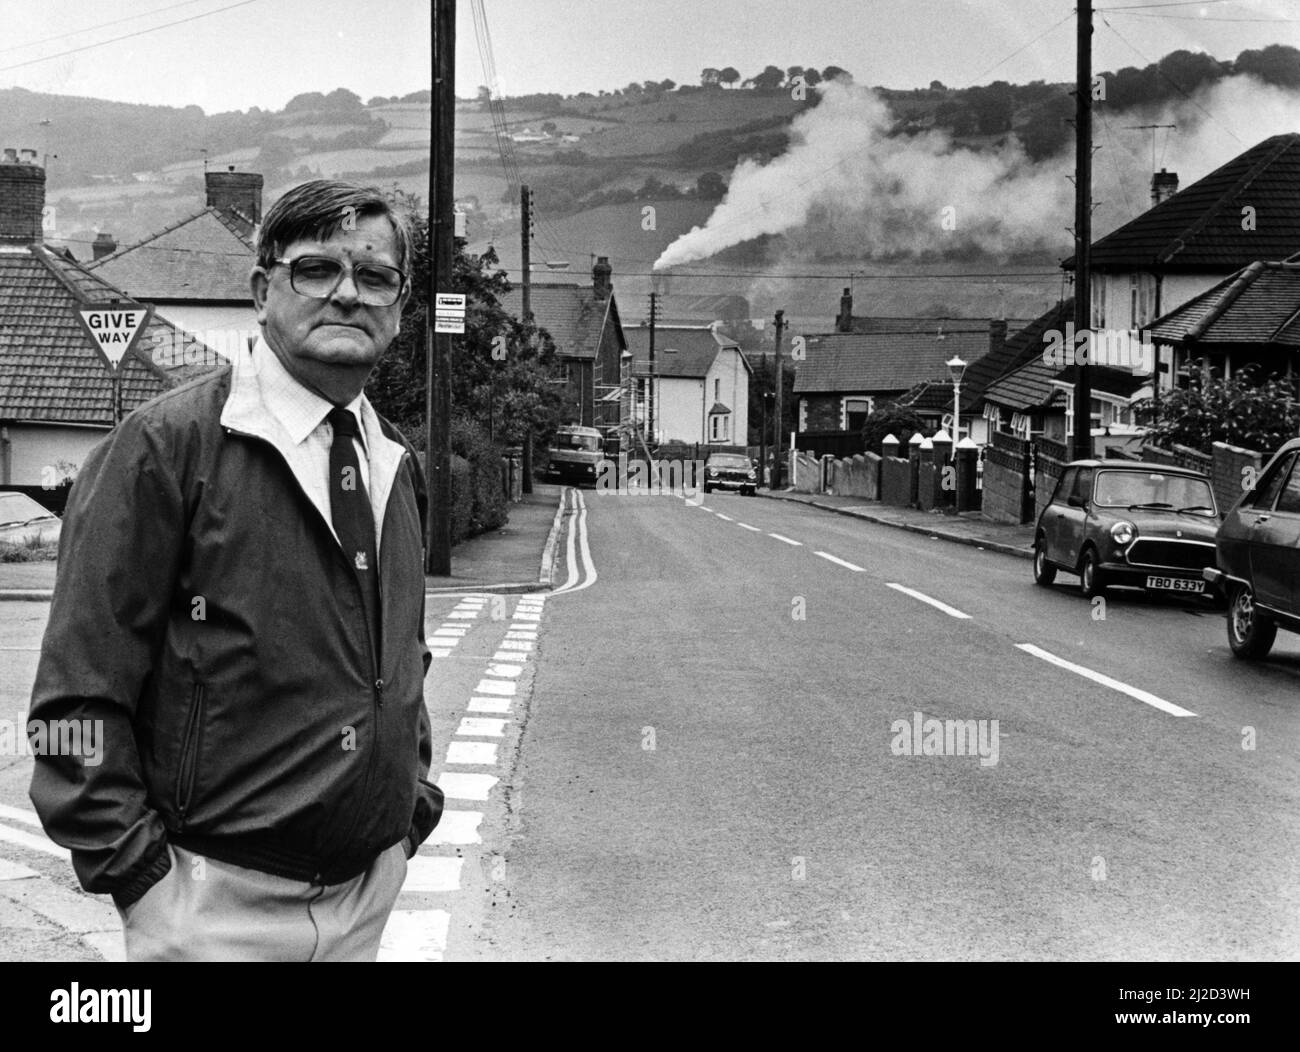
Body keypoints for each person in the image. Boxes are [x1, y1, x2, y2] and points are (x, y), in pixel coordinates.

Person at [27, 179, 443, 962]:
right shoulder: (161, 449)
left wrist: (408, 810)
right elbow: (72, 701)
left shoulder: (394, 464)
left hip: (366, 901)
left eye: (376, 277)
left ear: (398, 307)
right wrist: (141, 878)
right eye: (316, 271)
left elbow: (402, 660)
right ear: (262, 291)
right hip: (209, 912)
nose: (349, 295)